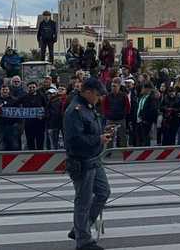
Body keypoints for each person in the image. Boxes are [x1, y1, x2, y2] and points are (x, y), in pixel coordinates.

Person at [64, 78, 112, 250]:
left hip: (93, 158)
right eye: (98, 95)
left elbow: (90, 130)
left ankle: (79, 228)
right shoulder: (75, 110)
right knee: (83, 201)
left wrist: (102, 135)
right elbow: (75, 140)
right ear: (88, 91)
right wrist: (97, 139)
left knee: (103, 192)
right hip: (82, 161)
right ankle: (83, 241)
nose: (99, 99)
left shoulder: (87, 107)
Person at [22, 81, 47, 150]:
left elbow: (46, 107)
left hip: (40, 123)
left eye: (33, 87)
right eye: (30, 87)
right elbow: (15, 103)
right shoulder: (24, 97)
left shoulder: (41, 96)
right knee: (30, 142)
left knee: (40, 142)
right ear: (27, 88)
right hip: (28, 124)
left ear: (36, 87)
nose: (32, 89)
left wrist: (43, 115)